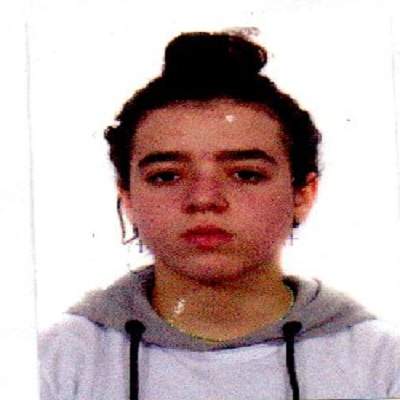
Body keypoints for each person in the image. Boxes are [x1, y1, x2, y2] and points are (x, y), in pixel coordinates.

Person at [38, 31, 400, 400]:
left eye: (245, 174)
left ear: (302, 194)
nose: (204, 199)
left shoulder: (380, 363)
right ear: (127, 197)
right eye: (167, 176)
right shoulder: (56, 361)